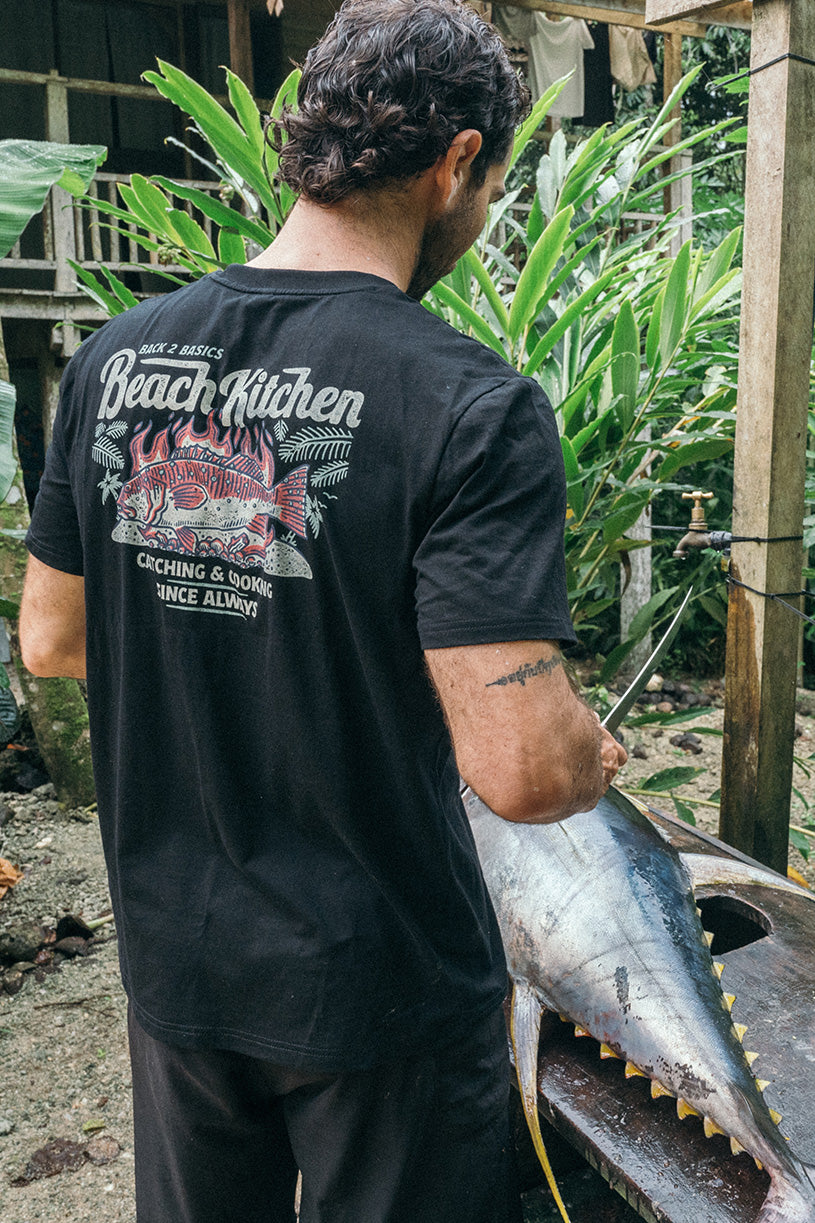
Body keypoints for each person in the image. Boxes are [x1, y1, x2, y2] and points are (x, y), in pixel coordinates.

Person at [19, 1, 626, 1219]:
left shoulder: (115, 358)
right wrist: (586, 749)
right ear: (457, 160)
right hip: (382, 985)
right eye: (495, 183)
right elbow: (517, 769)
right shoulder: (467, 402)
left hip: (179, 967)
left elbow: (54, 637)